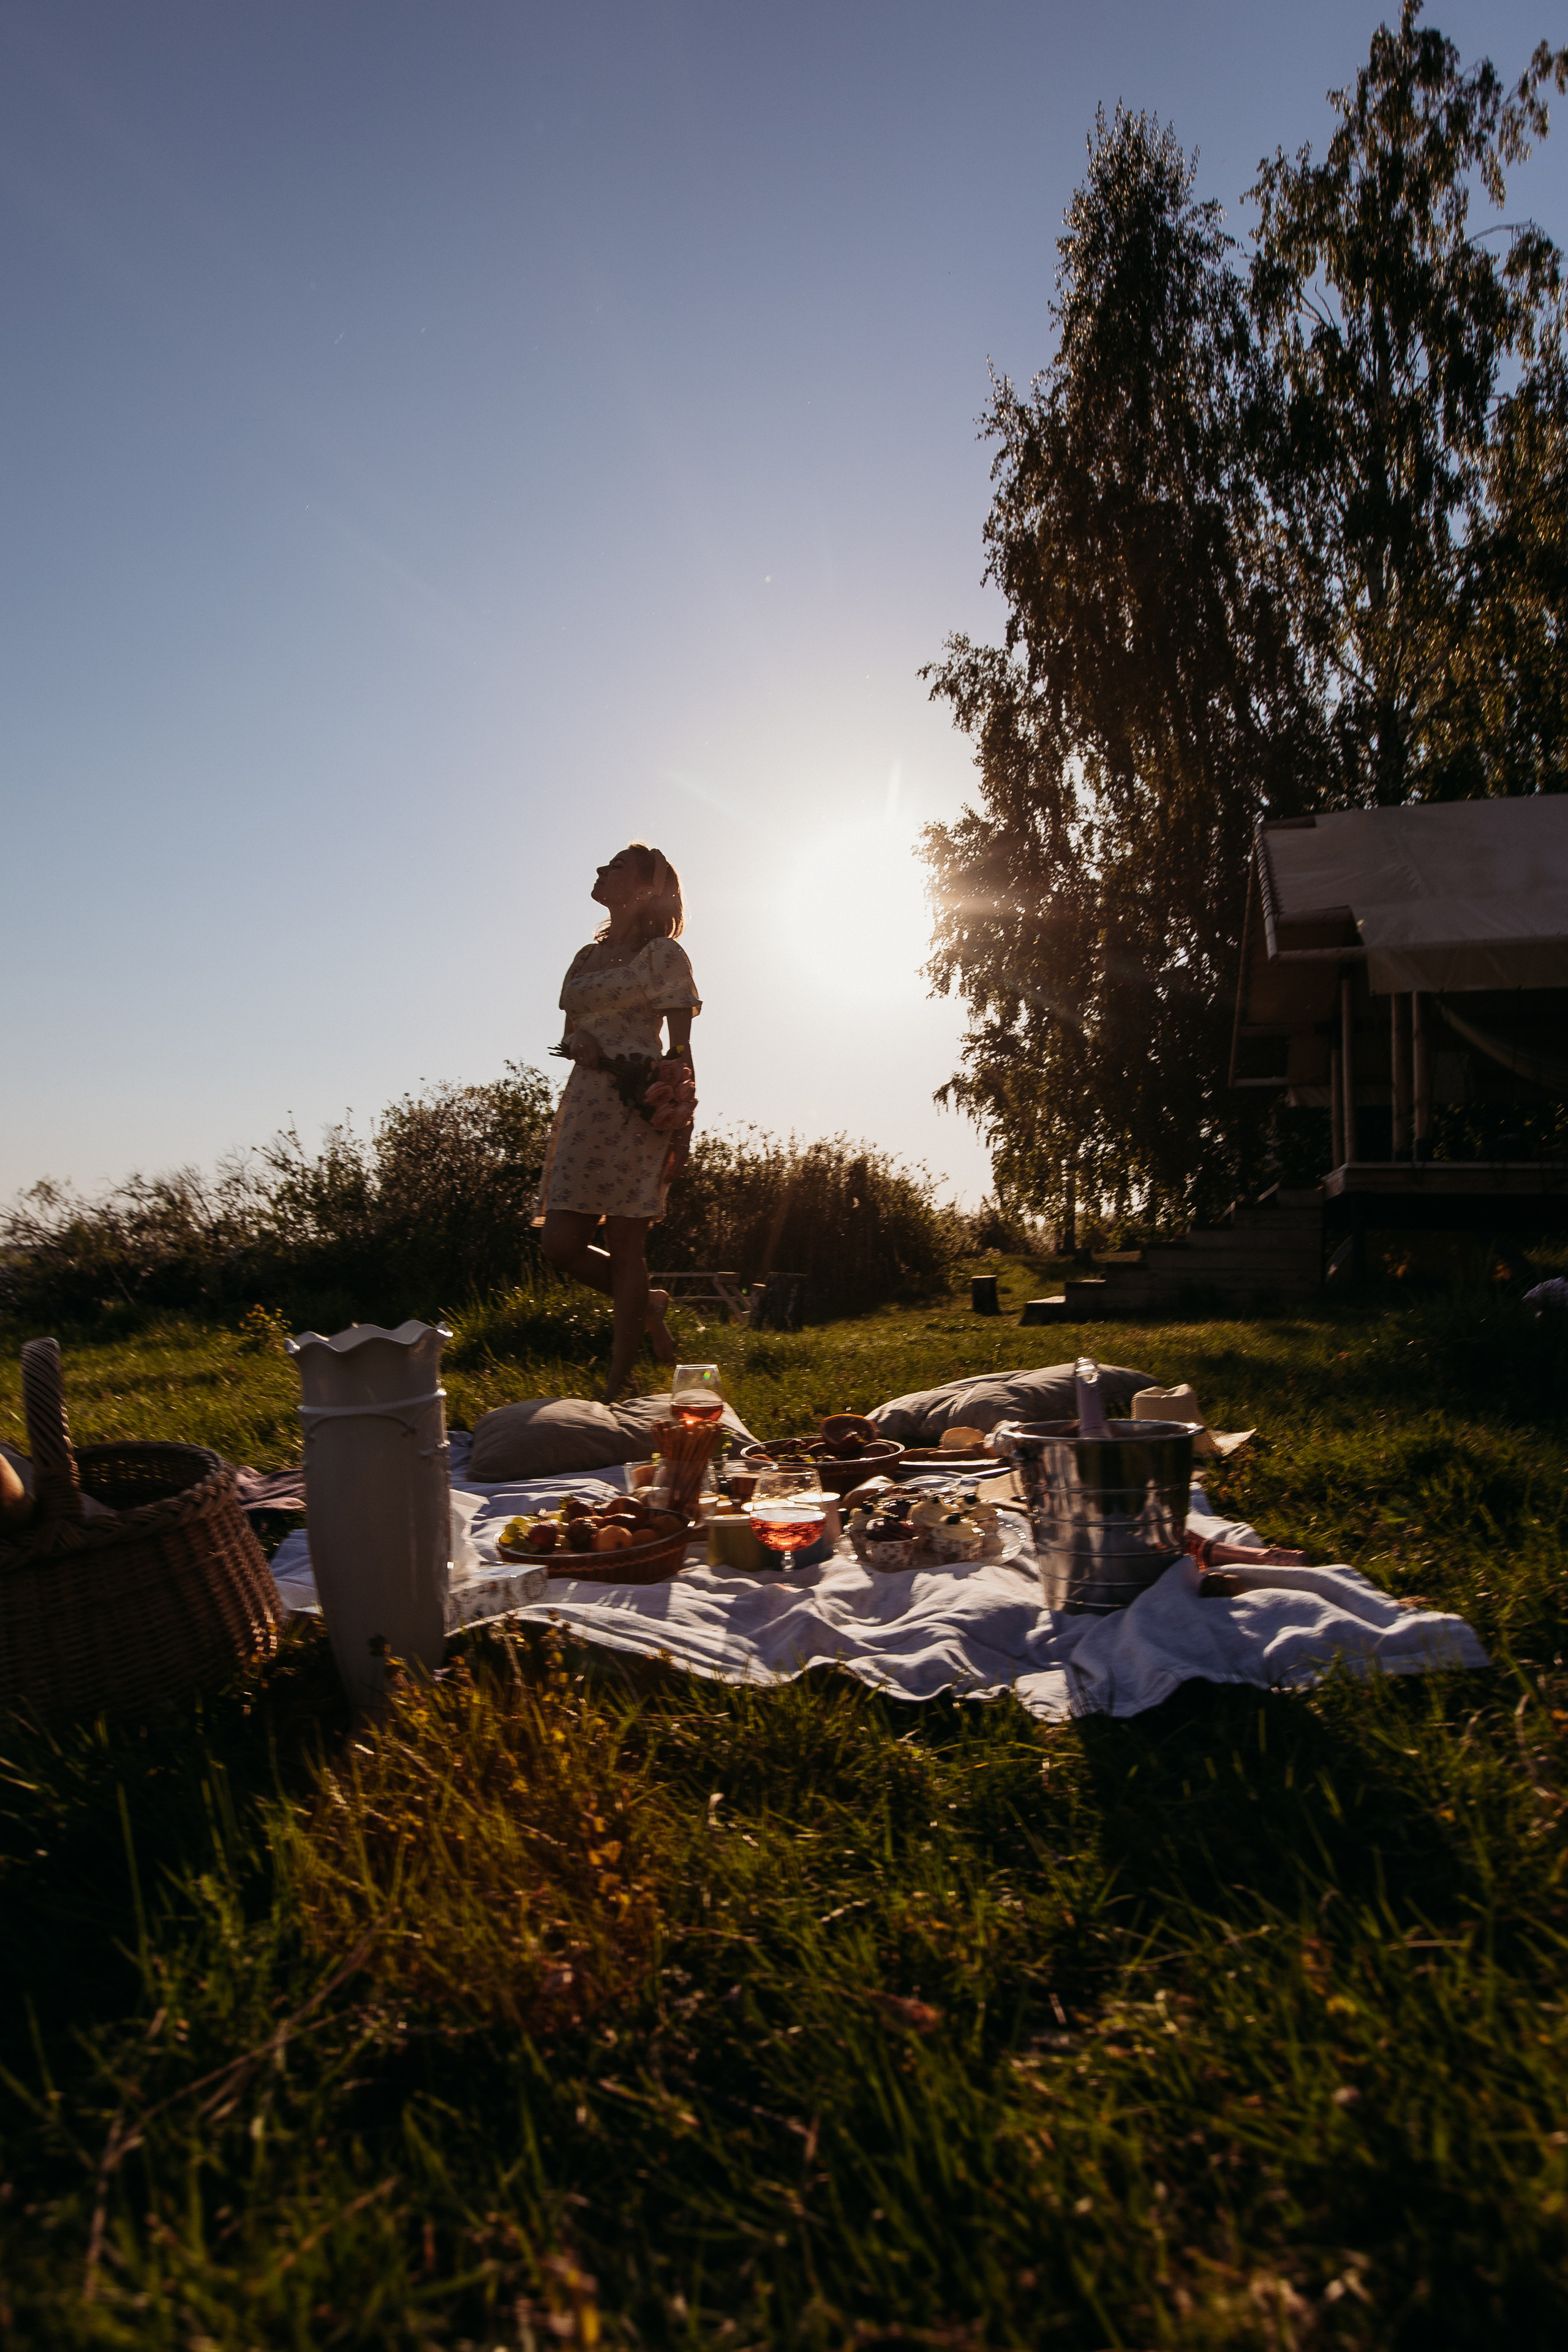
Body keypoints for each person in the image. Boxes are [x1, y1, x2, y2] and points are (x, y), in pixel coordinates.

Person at [537, 842, 700, 1400]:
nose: (602, 871)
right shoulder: (585, 958)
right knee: (558, 1242)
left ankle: (618, 1380)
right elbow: (569, 1034)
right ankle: (646, 1302)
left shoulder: (664, 956)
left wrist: (681, 1124)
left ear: (646, 889)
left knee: (629, 1246)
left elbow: (680, 1049)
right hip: (585, 1105)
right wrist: (577, 1042)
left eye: (616, 866)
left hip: (640, 1107)